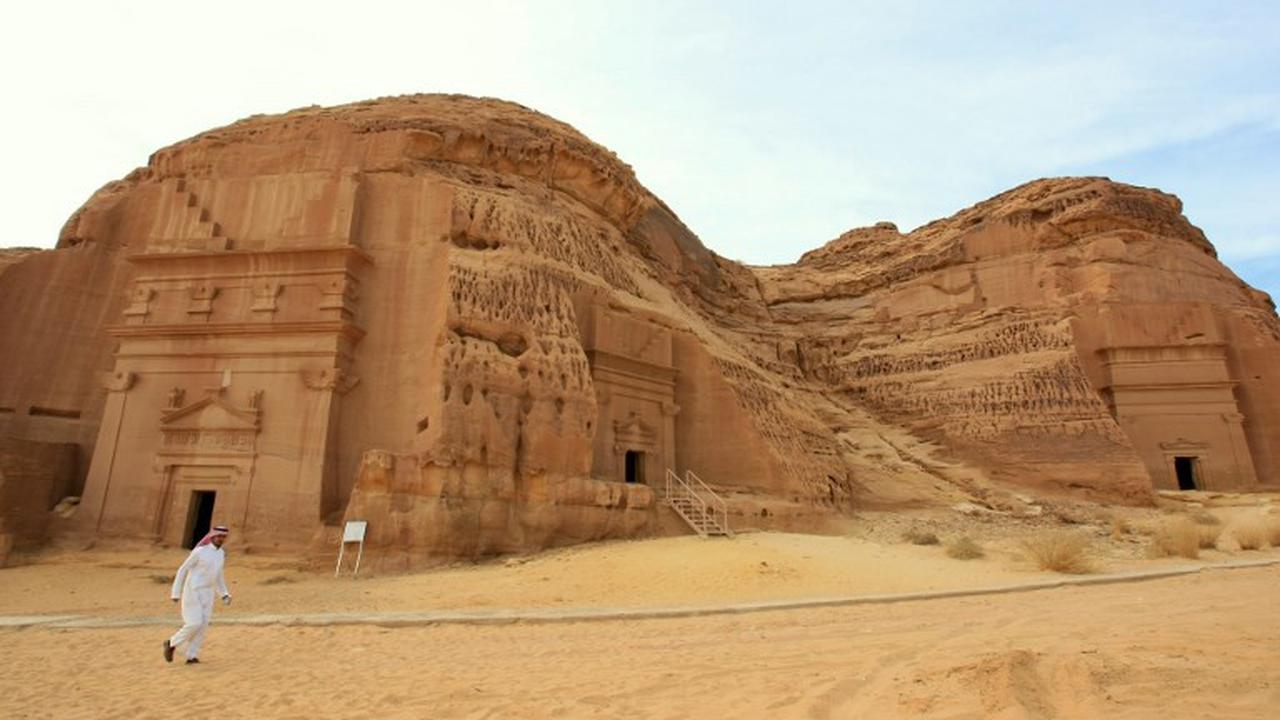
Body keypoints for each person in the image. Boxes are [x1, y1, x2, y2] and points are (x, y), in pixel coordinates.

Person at [163, 525, 232, 664]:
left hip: (208, 592)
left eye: (223, 537)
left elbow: (218, 575)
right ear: (212, 536)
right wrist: (176, 592)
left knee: (203, 625)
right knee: (194, 623)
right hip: (193, 591)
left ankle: (191, 656)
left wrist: (224, 593)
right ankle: (171, 643)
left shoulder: (220, 554)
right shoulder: (199, 552)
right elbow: (183, 570)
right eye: (219, 536)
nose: (221, 539)